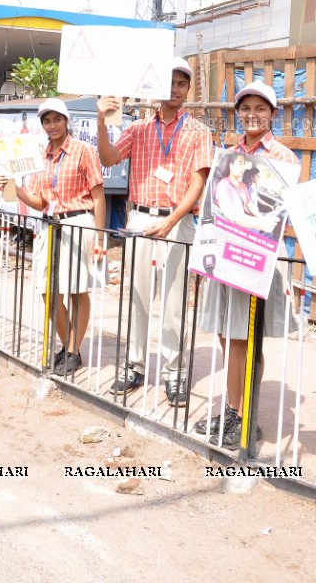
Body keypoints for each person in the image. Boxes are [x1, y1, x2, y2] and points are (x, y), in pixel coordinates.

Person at [95, 57, 213, 402]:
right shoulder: (141, 127)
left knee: (175, 300)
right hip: (142, 217)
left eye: (181, 84)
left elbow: (199, 181)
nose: (175, 89)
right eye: (170, 82)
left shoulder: (199, 131)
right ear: (158, 86)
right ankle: (135, 365)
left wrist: (173, 220)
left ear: (188, 89)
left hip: (177, 220)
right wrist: (102, 122)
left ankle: (174, 372)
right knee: (138, 295)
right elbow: (108, 159)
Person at [194, 81, 299, 450]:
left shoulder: (283, 158)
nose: (252, 114)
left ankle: (242, 414)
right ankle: (234, 409)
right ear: (238, 112)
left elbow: (277, 211)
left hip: (255, 256)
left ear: (273, 114)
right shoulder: (229, 156)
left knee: (245, 338)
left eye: (261, 108)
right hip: (224, 254)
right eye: (246, 108)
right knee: (227, 335)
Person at [0, 98, 106, 376]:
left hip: (78, 222)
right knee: (47, 289)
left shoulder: (83, 150)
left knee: (76, 289)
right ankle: (70, 345)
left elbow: (98, 195)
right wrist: (14, 188)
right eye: (47, 121)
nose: (52, 125)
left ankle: (72, 349)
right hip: (49, 226)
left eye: (57, 119)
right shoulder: (40, 155)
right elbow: (40, 202)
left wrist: (99, 237)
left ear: (66, 121)